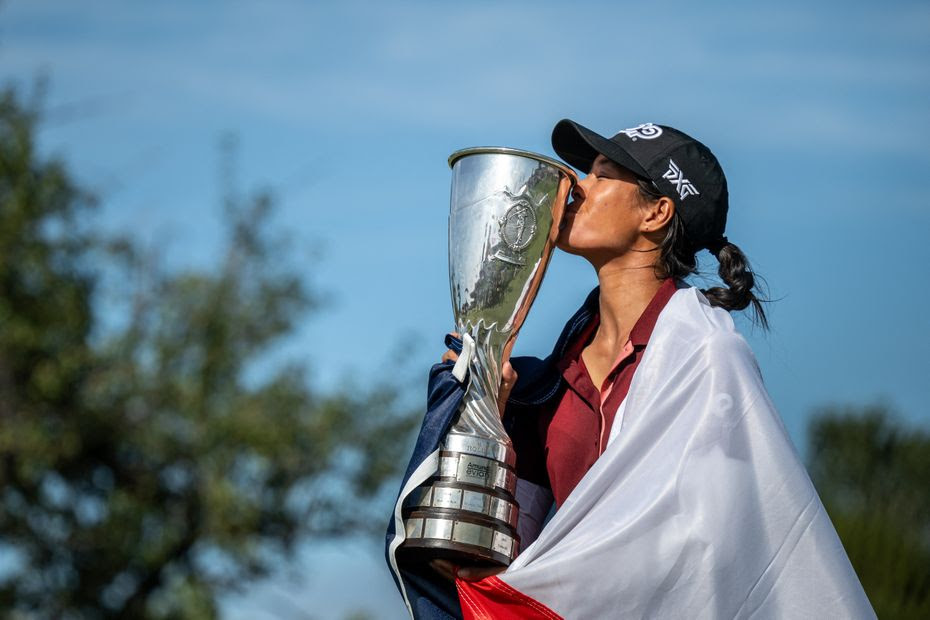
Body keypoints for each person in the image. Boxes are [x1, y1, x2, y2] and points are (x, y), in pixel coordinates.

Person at [386, 120, 875, 619]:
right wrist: (488, 417)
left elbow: (717, 550)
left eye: (602, 174)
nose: (576, 185)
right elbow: (505, 558)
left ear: (656, 212)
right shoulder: (552, 378)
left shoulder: (707, 358)